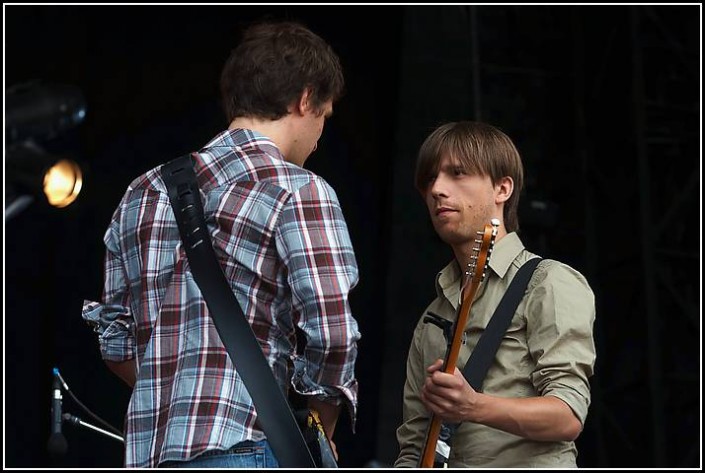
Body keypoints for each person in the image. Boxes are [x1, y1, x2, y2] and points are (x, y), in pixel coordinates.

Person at [82, 20, 361, 468]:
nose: (320, 135)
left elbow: (115, 341)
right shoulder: (299, 189)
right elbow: (333, 336)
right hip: (245, 448)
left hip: (147, 455)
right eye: (324, 116)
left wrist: (173, 389)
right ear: (305, 98)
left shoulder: (141, 192)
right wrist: (319, 430)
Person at [394, 121, 596, 468]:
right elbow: (413, 449)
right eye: (429, 179)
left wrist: (473, 406)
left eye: (458, 173)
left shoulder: (548, 282)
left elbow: (568, 415)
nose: (437, 189)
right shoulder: (433, 315)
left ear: (502, 188)